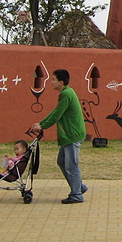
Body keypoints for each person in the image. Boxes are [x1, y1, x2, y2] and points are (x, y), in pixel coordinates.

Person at [31, 69, 88, 204]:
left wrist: (43, 125)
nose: (51, 82)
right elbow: (56, 111)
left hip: (72, 135)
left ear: (61, 82)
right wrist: (41, 123)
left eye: (53, 79)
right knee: (62, 162)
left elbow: (57, 114)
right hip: (69, 136)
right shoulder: (66, 93)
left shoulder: (66, 94)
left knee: (71, 165)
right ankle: (79, 186)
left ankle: (76, 194)